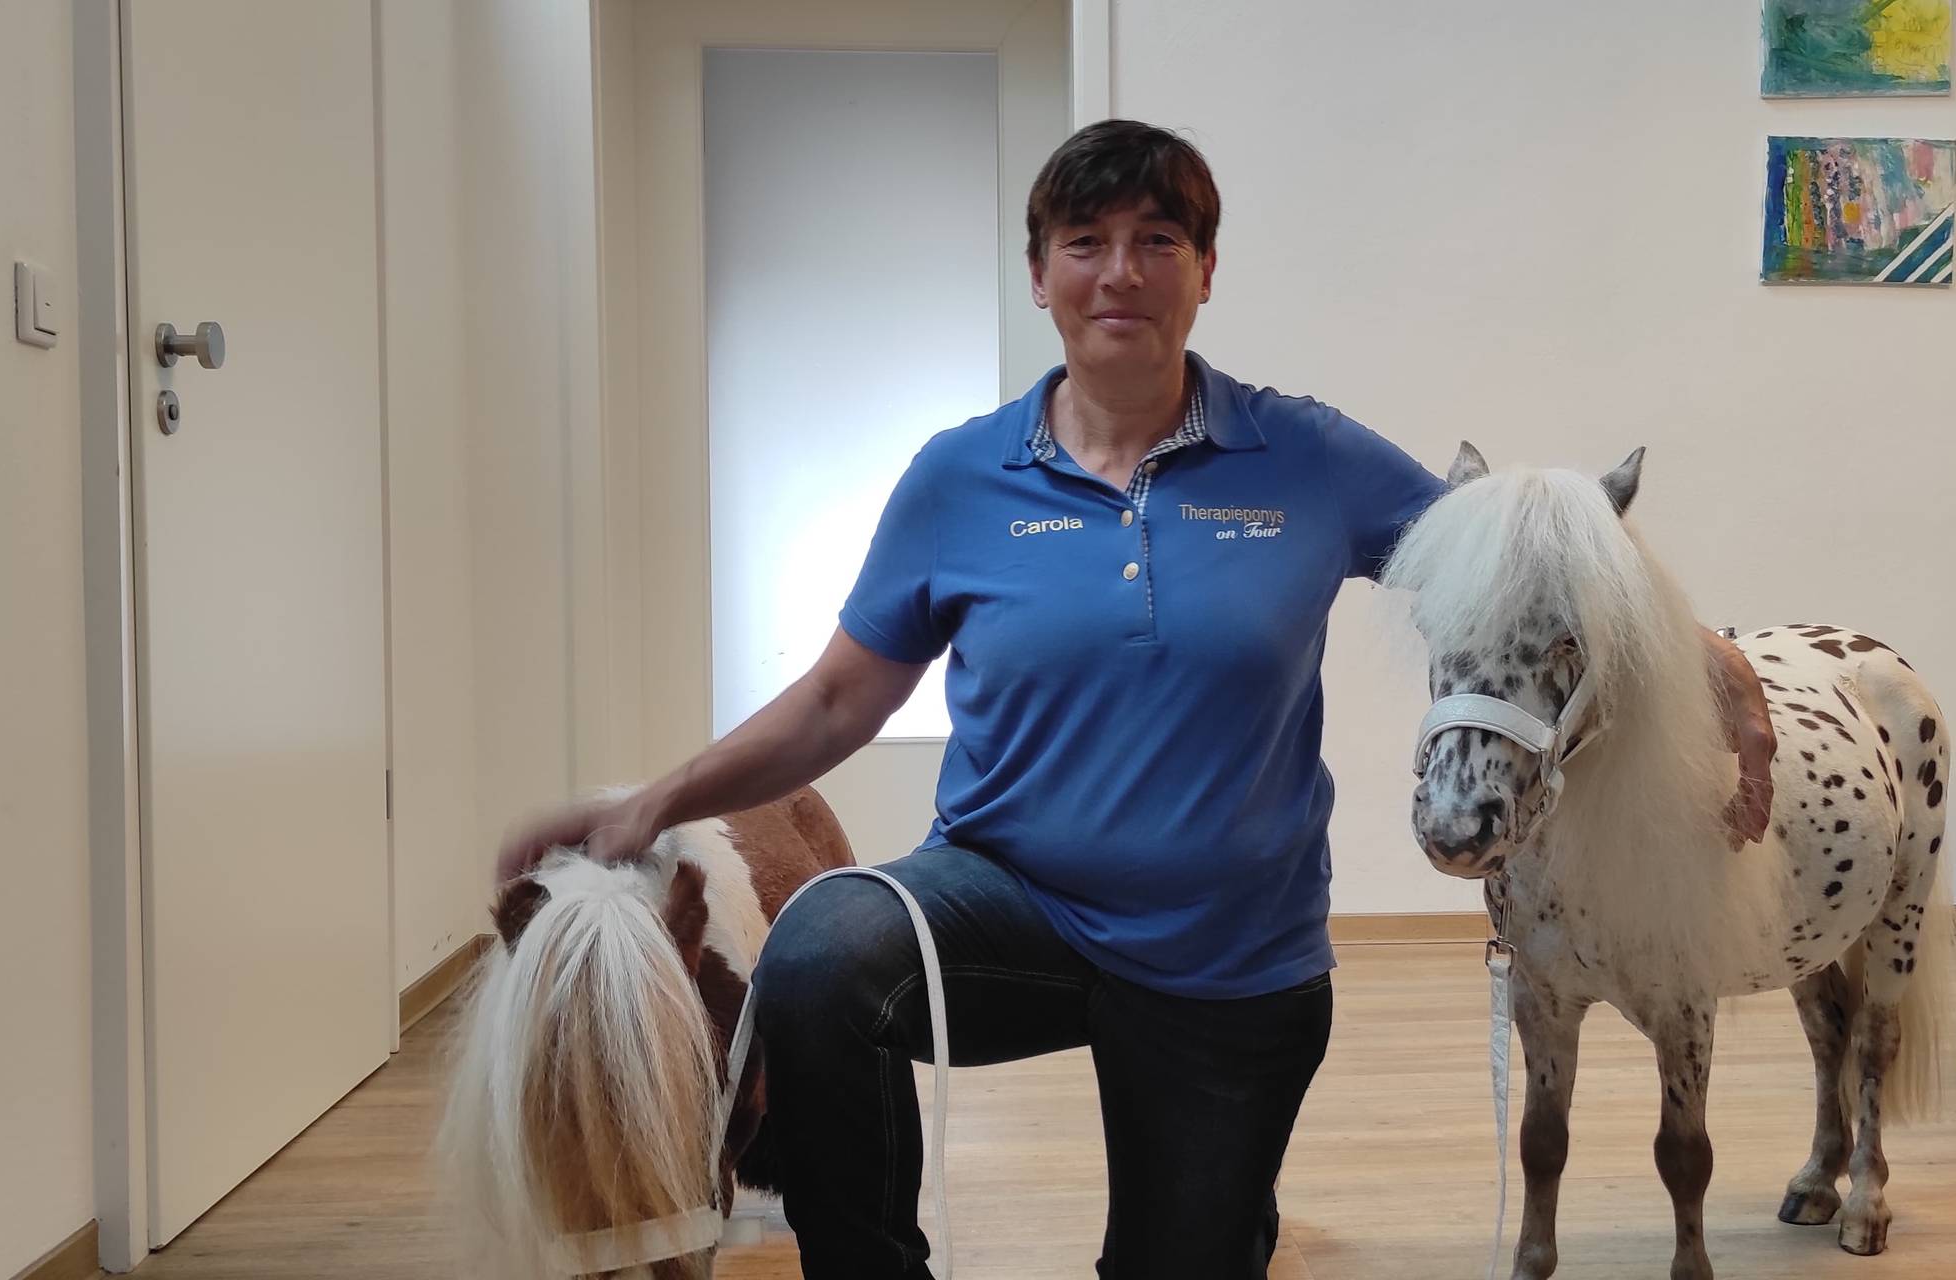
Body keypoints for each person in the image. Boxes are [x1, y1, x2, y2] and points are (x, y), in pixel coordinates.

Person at [496, 119, 1777, 1280]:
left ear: (1204, 271)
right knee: (824, 950)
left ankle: (1225, 1216)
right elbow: (839, 700)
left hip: (1231, 954)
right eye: (1085, 242)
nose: (1121, 270)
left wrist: (1719, 668)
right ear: (1042, 274)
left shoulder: (1305, 454)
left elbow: (1532, 567)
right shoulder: (958, 476)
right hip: (1010, 904)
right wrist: (649, 803)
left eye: (1158, 239)